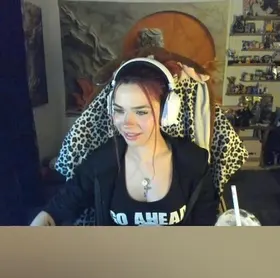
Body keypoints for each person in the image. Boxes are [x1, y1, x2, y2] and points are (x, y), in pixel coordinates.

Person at [29, 57, 220, 227]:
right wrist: (42, 221)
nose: (127, 123)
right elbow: (58, 208)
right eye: (119, 110)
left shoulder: (193, 162)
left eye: (141, 112)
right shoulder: (102, 161)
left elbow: (206, 226)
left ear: (166, 112)